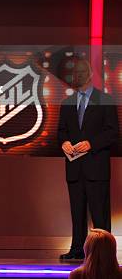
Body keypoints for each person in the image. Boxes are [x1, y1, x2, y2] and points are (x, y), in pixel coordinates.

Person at [57, 58, 119, 262]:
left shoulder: (105, 100)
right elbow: (61, 131)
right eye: (76, 72)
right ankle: (76, 249)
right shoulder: (67, 103)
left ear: (91, 74)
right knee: (77, 212)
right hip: (74, 167)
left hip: (96, 167)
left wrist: (91, 143)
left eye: (83, 71)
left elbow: (112, 132)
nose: (79, 75)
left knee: (100, 214)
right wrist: (64, 142)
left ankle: (104, 255)